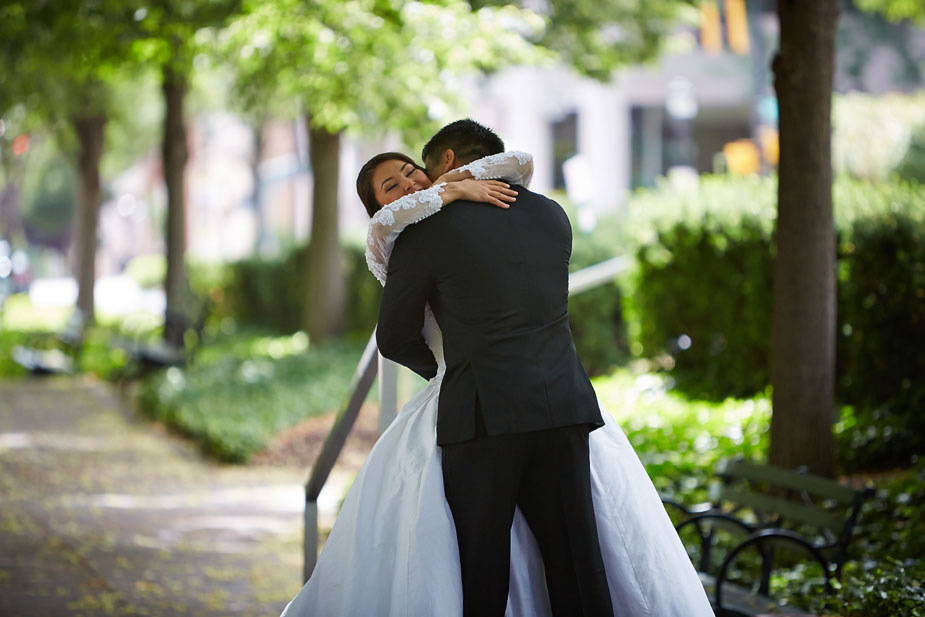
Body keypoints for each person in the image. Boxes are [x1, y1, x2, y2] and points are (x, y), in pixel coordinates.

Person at [280, 120, 714, 617]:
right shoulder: (552, 215)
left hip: (483, 416)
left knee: (482, 571)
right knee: (578, 563)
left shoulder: (421, 231)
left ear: (444, 163)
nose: (410, 187)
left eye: (413, 173)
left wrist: (446, 372)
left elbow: (395, 336)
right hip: (564, 405)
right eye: (393, 185)